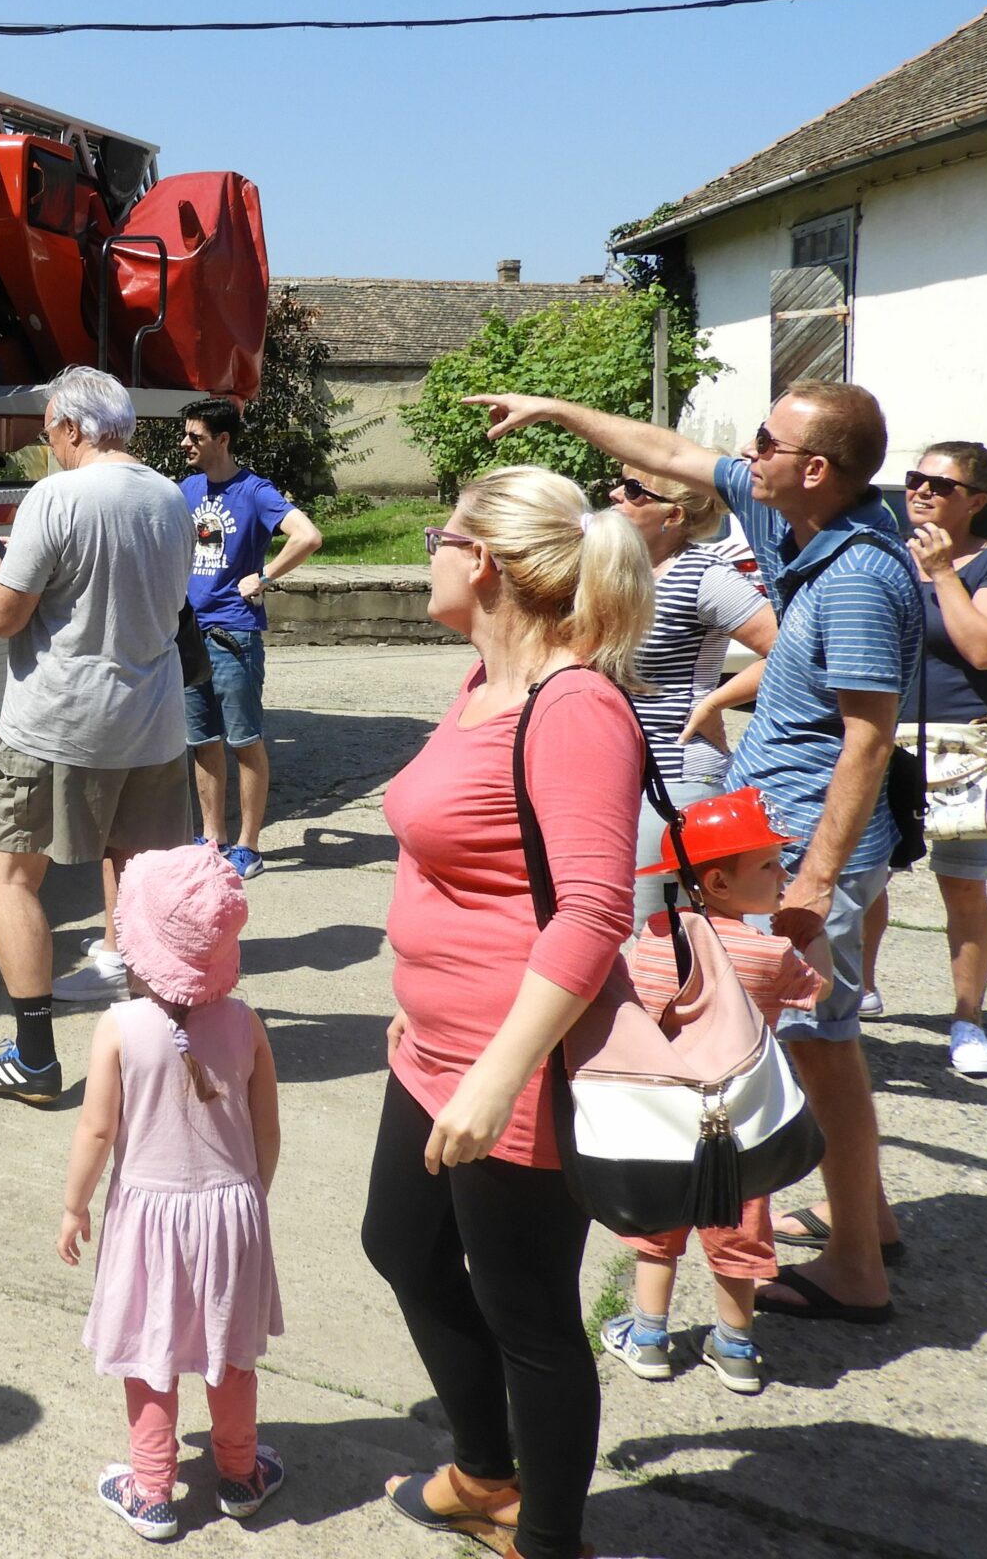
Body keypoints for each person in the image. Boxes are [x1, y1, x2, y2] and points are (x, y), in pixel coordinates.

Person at [468, 381, 919, 1327]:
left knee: (811, 1044)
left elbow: (869, 740)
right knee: (817, 1040)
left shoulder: (863, 579)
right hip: (771, 839)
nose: (745, 454)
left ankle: (854, 1267)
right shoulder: (790, 509)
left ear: (816, 467)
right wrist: (555, 410)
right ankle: (865, 1223)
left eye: (765, 441)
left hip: (802, 849)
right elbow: (668, 452)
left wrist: (814, 883)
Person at [363, 464, 653, 1559]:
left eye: (439, 534)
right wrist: (420, 1015)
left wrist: (496, 1075)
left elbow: (591, 912)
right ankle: (486, 1472)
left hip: (518, 1066)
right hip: (433, 1047)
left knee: (530, 1314)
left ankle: (548, 1537)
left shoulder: (573, 703)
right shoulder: (481, 683)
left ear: (480, 560)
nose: (428, 550)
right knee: (400, 1246)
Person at [0, 366, 195, 1104]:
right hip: (155, 724)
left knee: (6, 876)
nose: (46, 447)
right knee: (141, 886)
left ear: (72, 428)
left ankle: (35, 1057)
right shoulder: (169, 496)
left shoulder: (57, 497)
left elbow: (3, 617)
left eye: (47, 434)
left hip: (64, 723)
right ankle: (153, 1056)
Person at [59, 845, 283, 1540]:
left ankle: (152, 1491)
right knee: (230, 1351)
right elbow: (268, 1128)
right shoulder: (246, 1023)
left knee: (152, 1354)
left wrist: (74, 1205)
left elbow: (97, 1133)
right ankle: (241, 1476)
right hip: (233, 1211)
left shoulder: (121, 1029)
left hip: (150, 1221)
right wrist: (251, 1194)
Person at [599, 789, 825, 1398]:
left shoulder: (659, 940)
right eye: (770, 865)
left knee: (659, 1229)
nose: (784, 874)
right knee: (740, 1233)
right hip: (743, 1118)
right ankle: (736, 1347)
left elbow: (641, 1014)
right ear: (719, 882)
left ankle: (647, 1337)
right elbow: (819, 991)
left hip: (672, 1115)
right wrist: (810, 934)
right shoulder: (774, 953)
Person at [848, 443, 987, 1078]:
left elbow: (984, 649)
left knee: (961, 885)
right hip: (883, 742)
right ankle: (860, 990)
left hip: (966, 745)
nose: (920, 491)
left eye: (938, 484)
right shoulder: (892, 555)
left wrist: (945, 573)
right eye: (914, 479)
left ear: (975, 500)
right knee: (866, 872)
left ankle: (966, 1020)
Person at [606, 462, 777, 918]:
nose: (614, 494)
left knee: (655, 928)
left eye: (634, 490)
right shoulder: (614, 568)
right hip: (612, 772)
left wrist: (716, 701)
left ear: (673, 515)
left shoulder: (704, 574)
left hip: (674, 772)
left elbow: (791, 651)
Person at [175, 396, 323, 881]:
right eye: (186, 435)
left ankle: (249, 846)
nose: (186, 444)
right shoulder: (187, 490)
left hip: (234, 633)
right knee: (203, 741)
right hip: (190, 633)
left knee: (244, 740)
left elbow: (307, 535)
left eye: (196, 437)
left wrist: (264, 575)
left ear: (223, 439)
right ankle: (211, 838)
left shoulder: (254, 491)